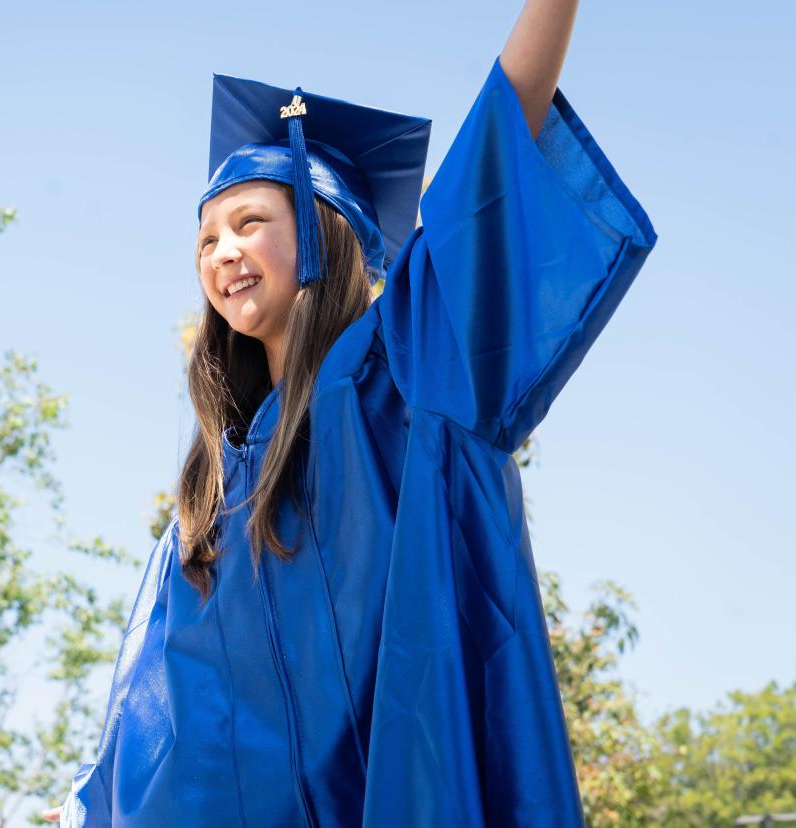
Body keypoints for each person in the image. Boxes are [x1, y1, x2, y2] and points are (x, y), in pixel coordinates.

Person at [42, 0, 657, 824]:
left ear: (324, 234)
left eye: (249, 222)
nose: (221, 252)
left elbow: (497, 142)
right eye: (205, 240)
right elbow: (142, 719)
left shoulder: (398, 375)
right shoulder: (209, 506)